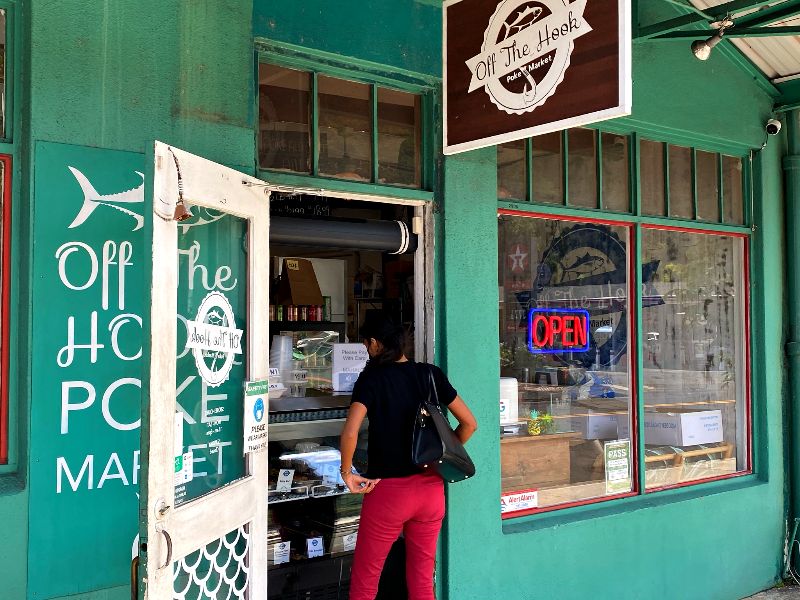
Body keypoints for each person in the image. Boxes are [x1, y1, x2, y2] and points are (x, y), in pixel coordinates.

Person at [339, 315, 477, 600]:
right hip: (430, 491)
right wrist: (441, 455)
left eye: (366, 344)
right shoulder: (431, 374)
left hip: (387, 493)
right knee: (422, 580)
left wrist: (347, 473)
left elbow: (351, 432)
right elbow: (469, 424)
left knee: (365, 583)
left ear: (374, 344)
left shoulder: (372, 379)